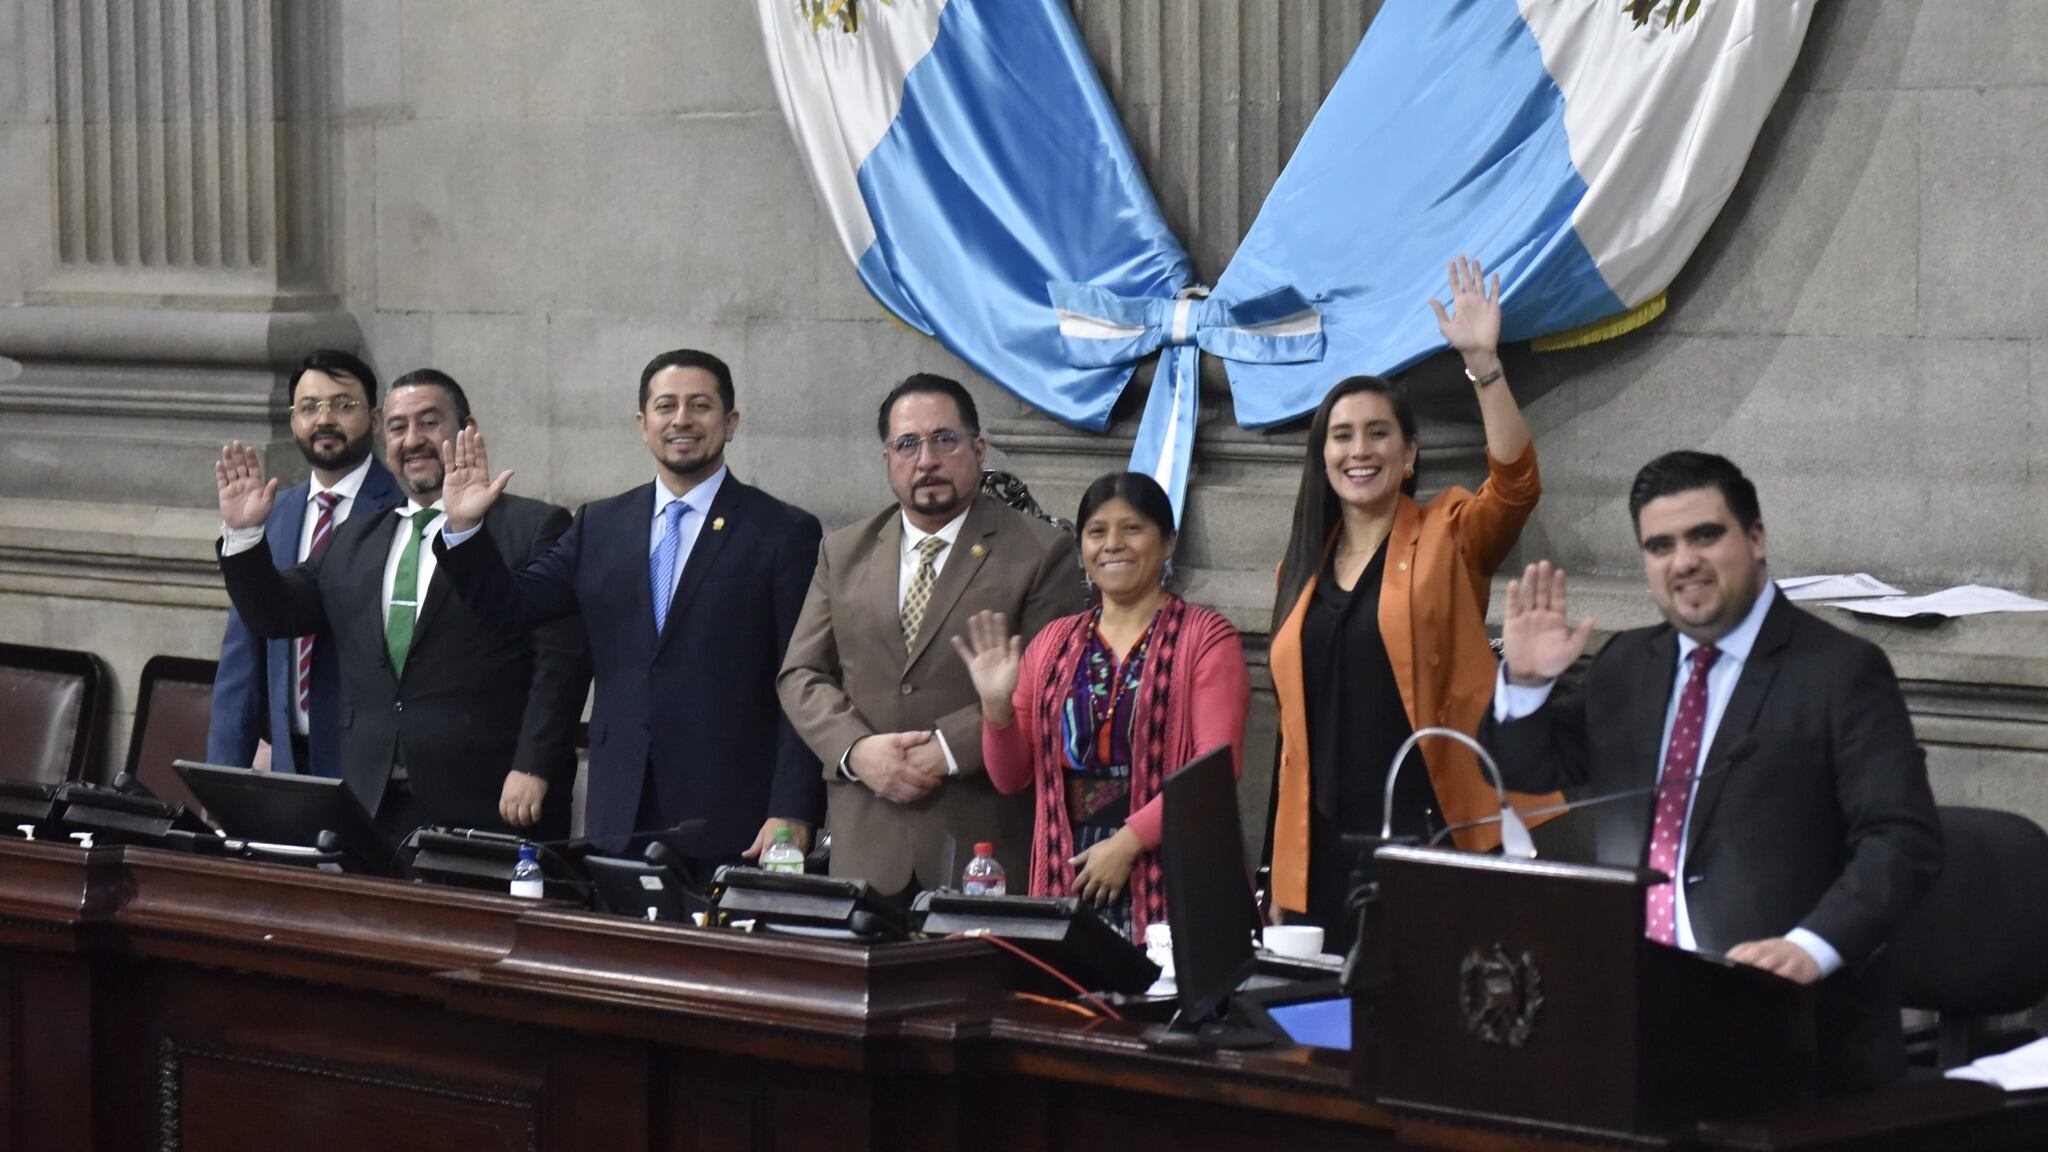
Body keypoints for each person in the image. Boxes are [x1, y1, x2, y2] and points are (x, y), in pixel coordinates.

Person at [1485, 450, 1942, 1090]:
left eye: (1705, 535)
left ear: (1755, 539)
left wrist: (1809, 950)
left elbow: (1903, 839)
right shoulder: (1627, 664)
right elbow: (1530, 768)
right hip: (1636, 1009)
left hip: (1790, 1028)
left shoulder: (1839, 672)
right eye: (1660, 545)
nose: (1684, 561)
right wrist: (1527, 685)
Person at [432, 349, 824, 875]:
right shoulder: (600, 524)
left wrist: (792, 808)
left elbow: (802, 678)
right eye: (665, 406)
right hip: (620, 816)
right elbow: (511, 609)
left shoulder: (781, 532)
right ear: (643, 424)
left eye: (700, 405)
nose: (681, 419)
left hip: (735, 819)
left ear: (730, 423)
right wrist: (465, 531)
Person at [1267, 256, 1556, 935]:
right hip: (1322, 848)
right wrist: (1280, 870)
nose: (1358, 450)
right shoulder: (1299, 571)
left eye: (1377, 433)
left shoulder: (1448, 533)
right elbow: (1290, 738)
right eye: (1341, 435)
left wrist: (1483, 365)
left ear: (1410, 453)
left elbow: (1516, 488)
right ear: (1323, 456)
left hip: (1431, 831)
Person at [213, 370, 590, 858]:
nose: (413, 440)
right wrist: (244, 538)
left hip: (491, 801)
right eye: (396, 427)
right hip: (372, 804)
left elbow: (561, 661)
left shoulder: (534, 526)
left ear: (467, 428)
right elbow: (278, 614)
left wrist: (534, 765)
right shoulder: (355, 537)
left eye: (429, 422)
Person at [778, 373, 1088, 898]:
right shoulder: (845, 551)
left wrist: (944, 749)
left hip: (980, 844)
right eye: (907, 444)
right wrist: (857, 751)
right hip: (864, 843)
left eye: (944, 439)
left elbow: (1050, 682)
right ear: (887, 460)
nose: (926, 460)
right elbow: (801, 674)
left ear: (979, 448)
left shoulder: (1041, 551)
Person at [954, 472, 1249, 942]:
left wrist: (1127, 844)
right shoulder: (1052, 643)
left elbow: (1213, 771)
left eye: (1132, 529)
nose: (1113, 544)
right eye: (1097, 532)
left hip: (1171, 871)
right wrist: (996, 710)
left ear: (1169, 542)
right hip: (1064, 875)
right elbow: (1011, 778)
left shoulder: (1206, 638)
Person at [207, 349, 403, 777]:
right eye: (310, 407)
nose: (324, 419)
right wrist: (224, 778)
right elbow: (243, 657)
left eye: (343, 404)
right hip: (290, 762)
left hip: (377, 771)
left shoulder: (404, 511)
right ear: (293, 420)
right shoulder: (269, 517)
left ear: (374, 418)